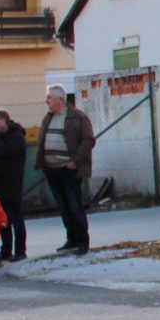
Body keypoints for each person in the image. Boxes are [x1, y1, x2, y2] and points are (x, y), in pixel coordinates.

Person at [34, 86, 94, 255]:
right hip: (51, 169)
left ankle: (83, 240)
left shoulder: (77, 117)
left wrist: (74, 162)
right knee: (63, 206)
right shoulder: (48, 118)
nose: (47, 101)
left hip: (68, 170)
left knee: (74, 205)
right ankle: (72, 238)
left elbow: (88, 140)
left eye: (49, 97)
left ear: (60, 99)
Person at [0, 109, 28, 261]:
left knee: (15, 217)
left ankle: (20, 251)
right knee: (3, 219)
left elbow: (5, 152)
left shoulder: (16, 137)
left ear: (3, 121)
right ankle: (6, 250)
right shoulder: (0, 138)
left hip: (11, 184)